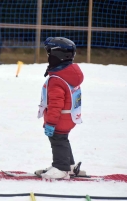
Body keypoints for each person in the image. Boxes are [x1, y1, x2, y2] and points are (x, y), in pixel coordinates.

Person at [35, 37, 85, 179]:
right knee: (63, 139)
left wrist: (50, 123)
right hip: (70, 116)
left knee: (57, 139)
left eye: (49, 53)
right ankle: (69, 165)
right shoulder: (68, 75)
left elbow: (55, 104)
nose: (48, 57)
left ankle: (61, 168)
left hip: (60, 118)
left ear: (58, 55)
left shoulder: (57, 79)